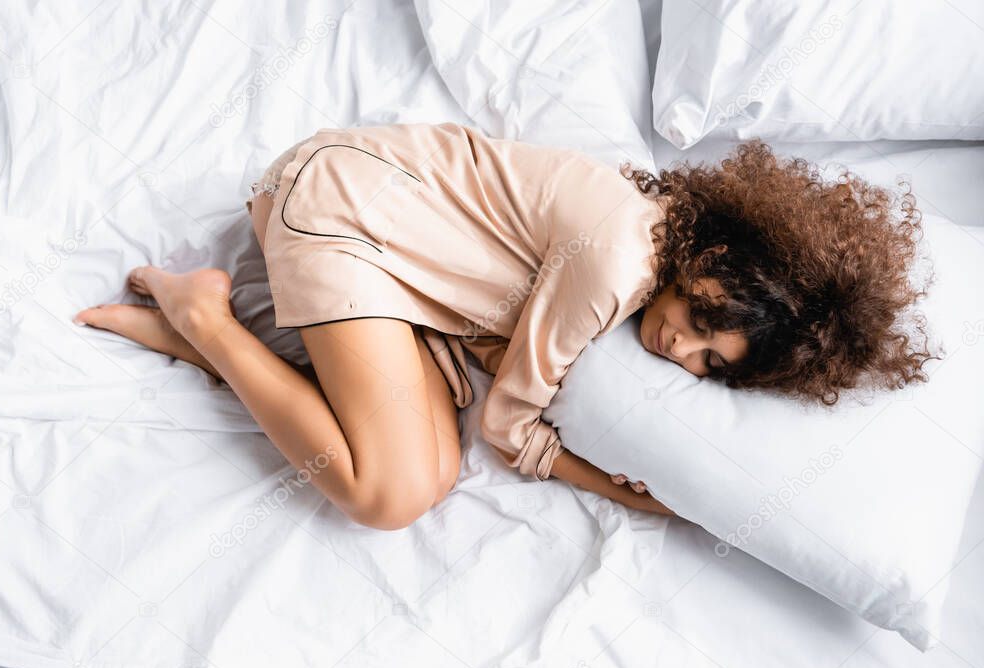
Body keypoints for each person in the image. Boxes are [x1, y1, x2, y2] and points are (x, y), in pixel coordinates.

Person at [73, 123, 932, 529]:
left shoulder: (650, 248)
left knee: (436, 468)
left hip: (400, 270)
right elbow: (509, 422)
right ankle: (207, 317)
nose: (681, 348)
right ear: (715, 263)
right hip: (335, 203)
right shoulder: (618, 261)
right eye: (703, 320)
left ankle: (204, 343)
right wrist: (620, 488)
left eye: (710, 360)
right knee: (389, 493)